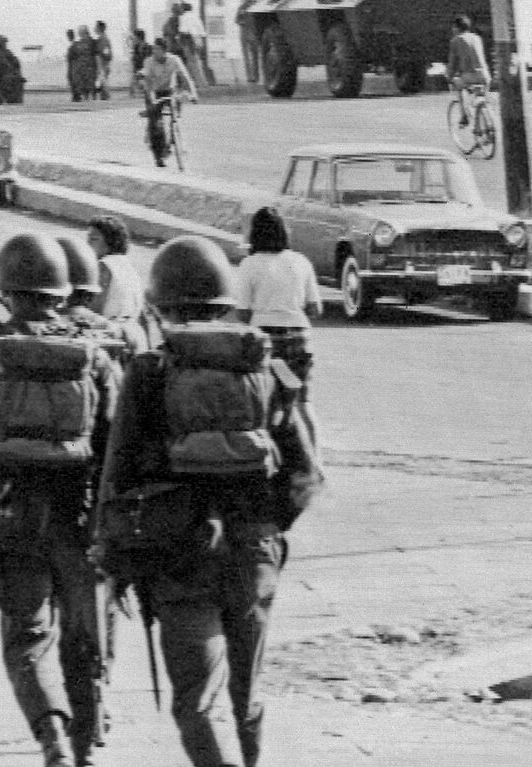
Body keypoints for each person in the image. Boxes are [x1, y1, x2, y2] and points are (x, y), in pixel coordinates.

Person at [97, 236, 305, 767]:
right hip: (253, 553)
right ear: (227, 300)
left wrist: (118, 560)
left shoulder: (147, 371)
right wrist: (267, 526)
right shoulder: (268, 363)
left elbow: (116, 476)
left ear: (159, 306)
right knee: (247, 695)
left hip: (177, 558)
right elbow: (305, 472)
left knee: (194, 704)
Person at [0, 234, 122, 767]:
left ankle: (51, 738)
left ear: (6, 292)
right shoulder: (92, 352)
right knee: (83, 642)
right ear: (62, 292)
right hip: (78, 515)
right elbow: (117, 446)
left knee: (27, 638)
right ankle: (84, 752)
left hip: (11, 512)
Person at [235, 208, 322, 383]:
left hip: (264, 338)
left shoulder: (249, 264)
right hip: (299, 338)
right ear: (284, 232)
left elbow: (243, 313)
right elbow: (315, 309)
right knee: (303, 401)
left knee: (264, 397)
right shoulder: (301, 261)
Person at [85, 216, 155, 353]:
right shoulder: (129, 267)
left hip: (112, 338)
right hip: (134, 335)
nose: (87, 243)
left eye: (93, 239)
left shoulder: (104, 266)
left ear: (110, 242)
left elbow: (94, 310)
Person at [139, 42, 200, 167]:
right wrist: (152, 104)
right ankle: (158, 156)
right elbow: (147, 83)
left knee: (175, 111)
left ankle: (173, 136)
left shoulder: (174, 60)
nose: (154, 53)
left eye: (157, 50)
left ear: (165, 51)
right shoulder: (149, 62)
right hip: (154, 92)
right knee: (156, 124)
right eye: (153, 50)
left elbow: (186, 77)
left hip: (169, 90)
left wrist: (193, 94)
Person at [448, 15, 491, 128]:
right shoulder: (477, 38)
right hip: (485, 75)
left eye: (453, 28)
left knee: (459, 86)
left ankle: (464, 117)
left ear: (456, 28)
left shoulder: (456, 40)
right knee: (480, 100)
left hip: (470, 77)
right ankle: (481, 129)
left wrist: (449, 77)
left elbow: (452, 64)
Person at [66, 28, 98, 103]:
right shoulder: (78, 44)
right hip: (83, 69)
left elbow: (73, 58)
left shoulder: (76, 45)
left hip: (80, 69)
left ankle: (84, 98)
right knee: (86, 88)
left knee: (83, 87)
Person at [129, 30, 154, 99]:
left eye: (134, 38)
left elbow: (149, 61)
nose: (133, 40)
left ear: (138, 37)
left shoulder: (148, 48)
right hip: (137, 73)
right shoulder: (136, 48)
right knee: (133, 92)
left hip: (145, 73)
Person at [94, 21, 114, 100]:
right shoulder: (100, 39)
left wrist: (103, 67)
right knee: (101, 88)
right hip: (101, 67)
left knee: (103, 88)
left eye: (96, 27)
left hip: (102, 67)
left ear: (100, 28)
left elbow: (107, 54)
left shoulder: (104, 40)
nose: (94, 28)